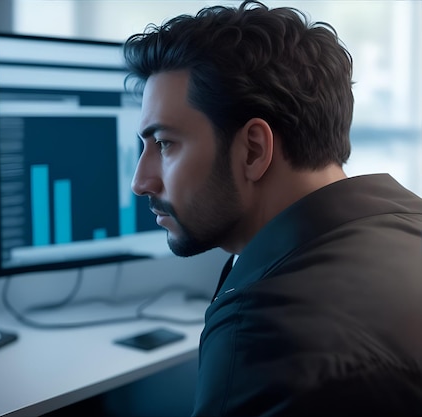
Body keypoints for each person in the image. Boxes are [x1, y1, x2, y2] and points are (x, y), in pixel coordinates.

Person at [123, 1, 422, 416]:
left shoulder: (265, 332)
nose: (141, 181)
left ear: (253, 150)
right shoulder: (410, 226)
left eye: (164, 144)